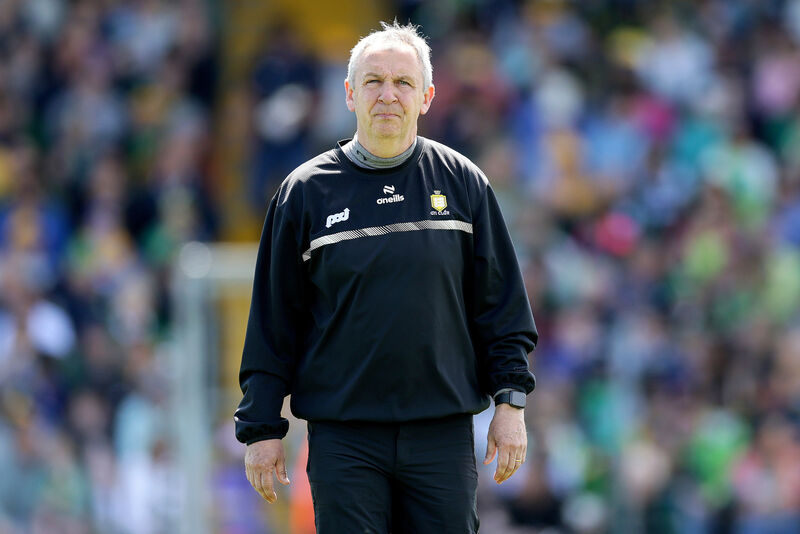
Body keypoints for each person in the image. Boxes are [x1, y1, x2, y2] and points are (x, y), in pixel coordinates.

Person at [234, 20, 538, 533]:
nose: (388, 94)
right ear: (350, 94)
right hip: (344, 438)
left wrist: (511, 404)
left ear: (427, 96)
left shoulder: (464, 183)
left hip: (441, 433)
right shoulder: (304, 192)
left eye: (403, 82)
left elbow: (501, 308)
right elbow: (272, 322)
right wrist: (261, 428)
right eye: (374, 81)